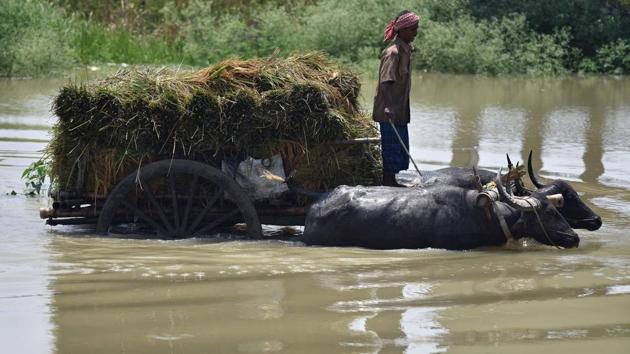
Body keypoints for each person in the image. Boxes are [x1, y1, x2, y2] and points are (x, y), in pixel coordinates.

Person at [372, 10, 420, 187]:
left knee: (401, 152)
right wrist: (389, 107)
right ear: (402, 30)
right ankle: (388, 183)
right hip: (389, 112)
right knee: (392, 151)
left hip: (399, 111)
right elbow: (386, 82)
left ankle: (392, 181)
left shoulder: (406, 50)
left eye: (416, 28)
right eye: (412, 29)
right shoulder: (393, 53)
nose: (415, 32)